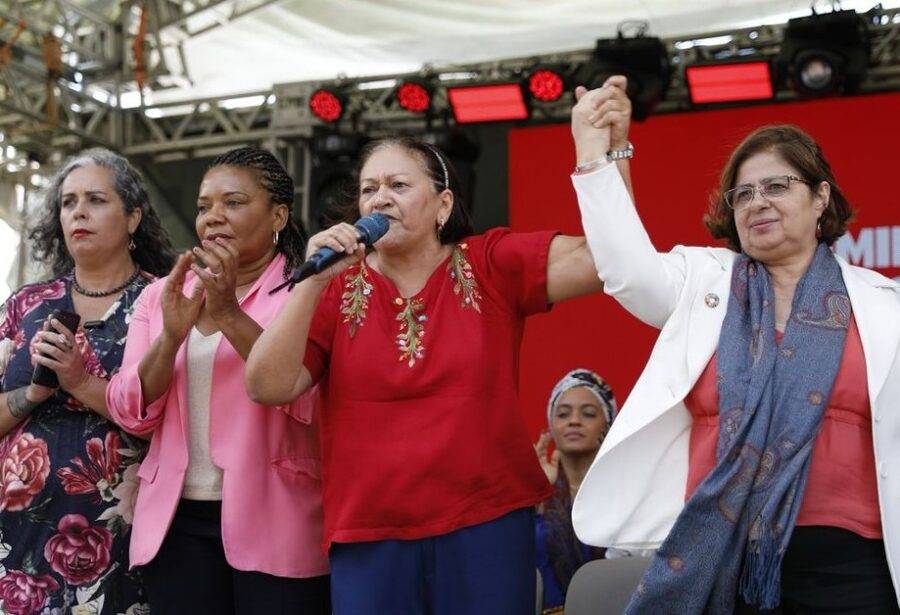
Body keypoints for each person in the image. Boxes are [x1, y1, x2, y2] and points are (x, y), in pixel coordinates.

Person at [244, 85, 633, 613]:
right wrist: (310, 282)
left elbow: (605, 260)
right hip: (369, 533)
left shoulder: (490, 263)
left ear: (443, 204)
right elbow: (266, 385)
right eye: (368, 189)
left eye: (398, 185)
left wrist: (602, 151)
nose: (379, 199)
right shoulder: (335, 287)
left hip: (486, 525)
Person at [569, 79, 900, 613]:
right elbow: (626, 268)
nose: (757, 203)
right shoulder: (706, 282)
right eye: (742, 194)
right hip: (718, 557)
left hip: (851, 567)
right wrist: (595, 151)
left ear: (820, 198)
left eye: (777, 186)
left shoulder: (884, 305)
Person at [105, 147, 330, 614]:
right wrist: (169, 338)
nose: (214, 217)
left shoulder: (307, 288)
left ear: (279, 216)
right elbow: (130, 412)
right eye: (205, 206)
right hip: (178, 523)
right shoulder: (161, 294)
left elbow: (305, 398)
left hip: (277, 518)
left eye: (233, 202)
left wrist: (227, 312)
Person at [0, 148, 175, 613]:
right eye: (68, 201)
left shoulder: (163, 302)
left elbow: (168, 422)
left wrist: (78, 380)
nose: (78, 211)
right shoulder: (25, 305)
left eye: (96, 199)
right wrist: (34, 392)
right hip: (18, 537)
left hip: (119, 535)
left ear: (133, 217)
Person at [534, 368, 617, 613]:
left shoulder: (624, 494)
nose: (574, 420)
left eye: (589, 413)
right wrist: (538, 494)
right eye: (563, 413)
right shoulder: (534, 496)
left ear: (608, 424)